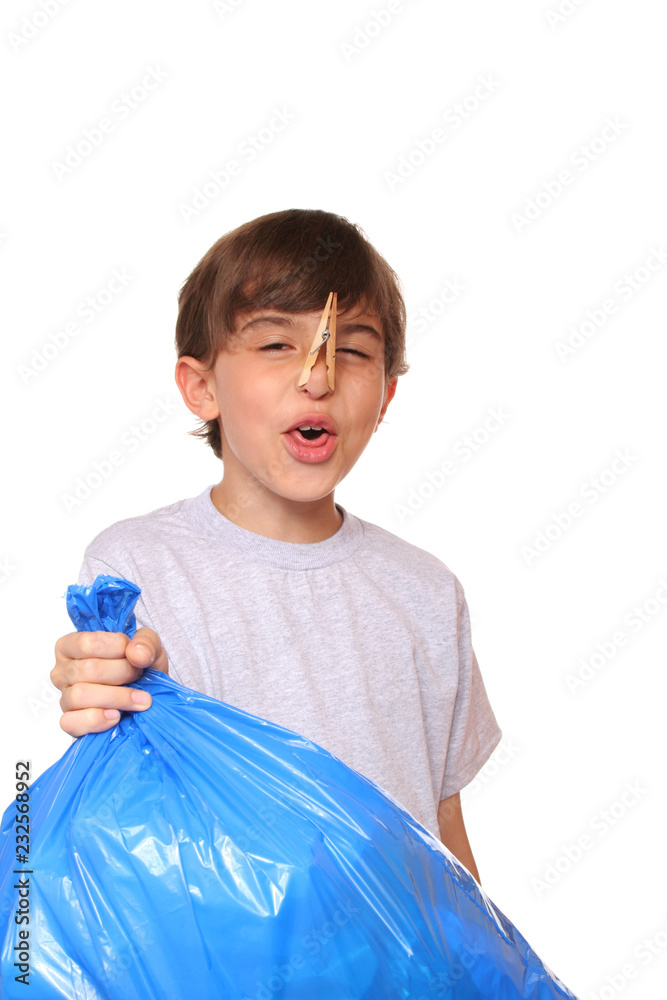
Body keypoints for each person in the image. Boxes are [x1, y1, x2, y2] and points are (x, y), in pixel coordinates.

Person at [50, 208, 502, 883]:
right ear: (200, 387)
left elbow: (442, 824)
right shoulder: (140, 568)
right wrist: (111, 682)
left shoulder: (427, 591)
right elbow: (123, 799)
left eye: (350, 350)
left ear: (385, 396)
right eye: (273, 346)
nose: (316, 377)